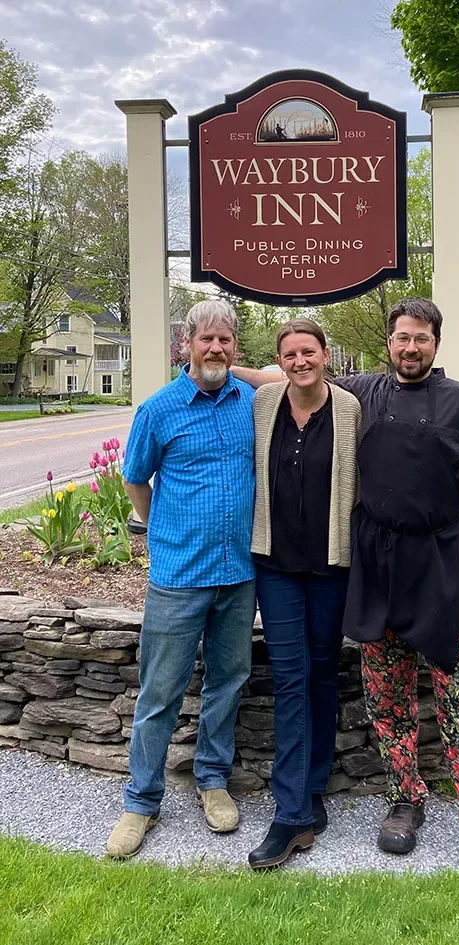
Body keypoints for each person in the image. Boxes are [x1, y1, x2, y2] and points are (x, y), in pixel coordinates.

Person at [233, 297, 459, 871]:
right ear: (389, 343)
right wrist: (218, 368)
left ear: (436, 344)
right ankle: (404, 800)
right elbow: (291, 370)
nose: (411, 348)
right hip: (375, 560)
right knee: (387, 692)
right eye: (402, 338)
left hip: (442, 561)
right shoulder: (364, 394)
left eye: (421, 338)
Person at [106, 300, 256, 859]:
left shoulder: (251, 404)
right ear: (186, 344)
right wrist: (162, 529)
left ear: (234, 346)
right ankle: (140, 802)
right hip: (178, 574)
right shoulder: (159, 410)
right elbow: (136, 480)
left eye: (225, 340)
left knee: (228, 680)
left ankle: (212, 781)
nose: (216, 349)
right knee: (161, 691)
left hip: (239, 572)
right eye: (206, 340)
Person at [247, 318, 361, 869]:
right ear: (279, 361)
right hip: (276, 567)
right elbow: (242, 375)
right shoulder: (264, 402)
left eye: (308, 352)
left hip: (330, 566)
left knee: (322, 674)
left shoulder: (349, 409)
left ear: (326, 354)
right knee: (290, 679)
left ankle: (314, 788)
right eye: (289, 354)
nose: (300, 362)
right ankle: (290, 815)